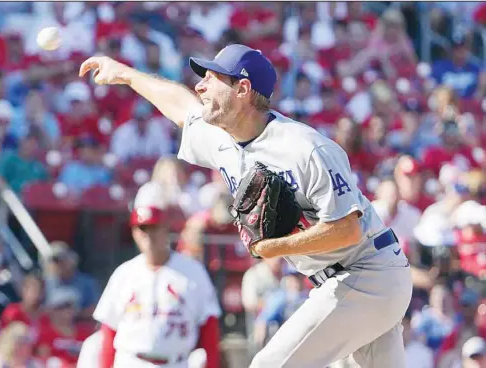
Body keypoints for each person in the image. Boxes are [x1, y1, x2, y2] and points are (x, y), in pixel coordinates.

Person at [79, 43, 413, 367]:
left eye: (212, 78)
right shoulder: (223, 137)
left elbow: (347, 229)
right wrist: (125, 74)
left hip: (368, 272)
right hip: (350, 281)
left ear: (242, 88)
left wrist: (274, 247)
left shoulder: (305, 149)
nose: (200, 85)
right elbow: (180, 105)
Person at [92, 181, 222, 367]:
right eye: (142, 228)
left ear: (166, 227)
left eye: (154, 227)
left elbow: (209, 330)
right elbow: (108, 332)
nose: (149, 235)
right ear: (134, 231)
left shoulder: (193, 273)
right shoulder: (124, 274)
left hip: (176, 362)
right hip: (131, 361)